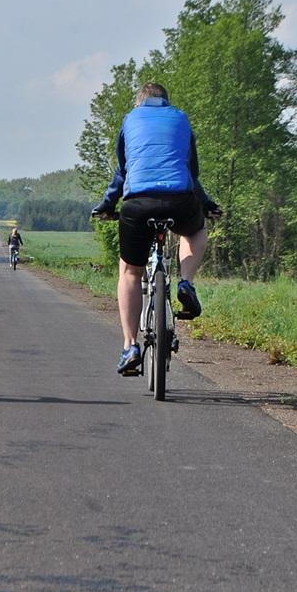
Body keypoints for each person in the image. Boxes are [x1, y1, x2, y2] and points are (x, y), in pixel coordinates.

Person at [91, 83, 222, 376]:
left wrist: (106, 205)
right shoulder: (181, 118)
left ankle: (129, 347)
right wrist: (208, 204)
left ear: (139, 102)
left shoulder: (130, 120)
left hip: (138, 202)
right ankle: (186, 282)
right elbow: (190, 173)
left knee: (129, 271)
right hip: (180, 199)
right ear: (166, 102)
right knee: (195, 232)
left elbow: (123, 171)